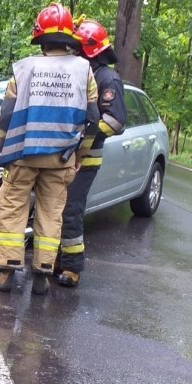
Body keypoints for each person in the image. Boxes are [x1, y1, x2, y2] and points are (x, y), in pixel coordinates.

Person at [0, 3, 100, 295]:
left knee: (12, 209)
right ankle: (43, 275)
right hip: (60, 159)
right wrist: (78, 156)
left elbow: (6, 116)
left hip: (23, 155)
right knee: (51, 214)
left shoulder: (24, 68)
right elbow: (93, 119)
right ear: (68, 37)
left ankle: (4, 272)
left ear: (40, 37)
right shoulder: (84, 71)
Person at [55, 18, 127, 287]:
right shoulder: (78, 72)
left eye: (78, 48)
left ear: (89, 50)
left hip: (85, 158)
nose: (74, 52)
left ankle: (72, 267)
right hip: (63, 154)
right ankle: (54, 260)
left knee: (70, 209)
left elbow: (115, 121)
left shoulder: (108, 78)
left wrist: (84, 135)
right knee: (55, 207)